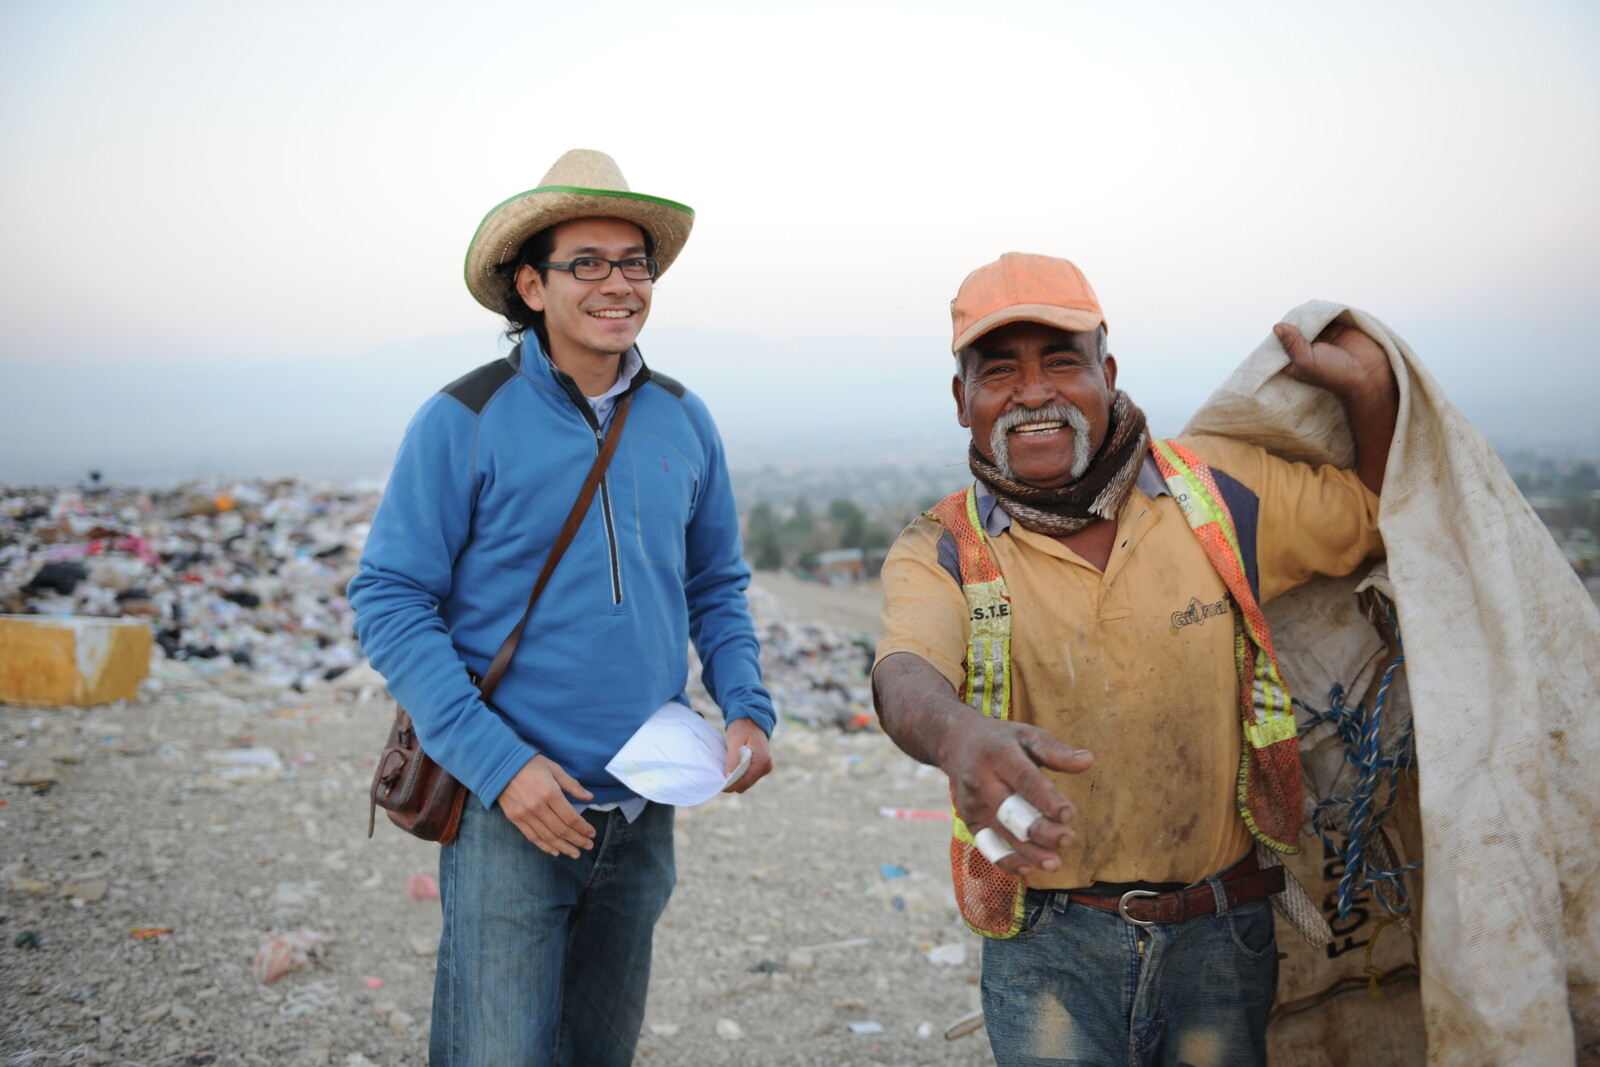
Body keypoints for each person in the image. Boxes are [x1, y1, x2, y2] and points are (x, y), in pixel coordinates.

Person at [873, 253, 1398, 1067]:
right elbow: (905, 671)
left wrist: (1368, 391)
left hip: (1222, 933)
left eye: (1061, 361)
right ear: (961, 401)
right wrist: (955, 733)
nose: (1034, 392)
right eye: (999, 370)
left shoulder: (1219, 495)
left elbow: (1371, 515)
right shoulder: (942, 548)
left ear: (1107, 374)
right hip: (1048, 945)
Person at [347, 148, 775, 1066]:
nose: (619, 283)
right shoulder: (464, 418)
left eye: (635, 263)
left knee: (598, 1051)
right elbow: (388, 597)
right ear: (531, 285)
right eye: (588, 263)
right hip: (511, 807)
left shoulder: (683, 417)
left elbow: (716, 584)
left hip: (644, 803)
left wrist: (746, 704)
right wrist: (501, 766)